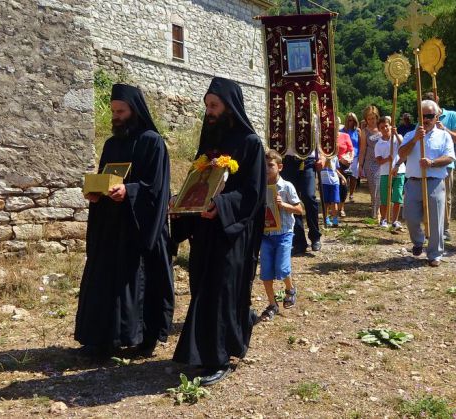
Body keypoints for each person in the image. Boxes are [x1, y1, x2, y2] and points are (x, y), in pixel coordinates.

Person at [170, 77, 266, 386]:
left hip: (232, 233)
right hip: (205, 230)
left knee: (223, 292)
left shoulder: (250, 144)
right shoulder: (208, 146)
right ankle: (203, 353)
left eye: (214, 106)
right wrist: (181, 201)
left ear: (229, 107)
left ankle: (221, 357)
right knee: (202, 288)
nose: (209, 112)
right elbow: (196, 181)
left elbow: (252, 193)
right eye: (207, 106)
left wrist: (221, 206)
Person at [75, 84, 174, 359]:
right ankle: (102, 339)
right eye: (113, 112)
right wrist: (96, 193)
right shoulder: (111, 144)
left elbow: (157, 188)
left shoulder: (152, 141)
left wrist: (128, 191)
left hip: (140, 228)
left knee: (140, 282)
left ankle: (143, 339)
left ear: (134, 110)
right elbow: (104, 177)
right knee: (105, 282)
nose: (116, 116)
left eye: (121, 111)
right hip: (112, 227)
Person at [398, 100, 455, 267]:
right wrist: (415, 139)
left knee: (436, 220)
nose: (426, 119)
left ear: (436, 117)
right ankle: (418, 241)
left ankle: (434, 254)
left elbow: (449, 157)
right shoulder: (410, 135)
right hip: (414, 182)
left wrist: (432, 163)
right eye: (422, 116)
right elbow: (402, 153)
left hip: (435, 182)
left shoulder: (444, 136)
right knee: (410, 217)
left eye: (429, 116)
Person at [258, 150, 303, 322]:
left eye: (271, 165)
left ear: (280, 167)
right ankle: (272, 304)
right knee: (266, 272)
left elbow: (299, 210)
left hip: (284, 233)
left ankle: (290, 289)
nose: (267, 169)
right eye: (265, 166)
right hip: (266, 234)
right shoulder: (261, 187)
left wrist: (283, 205)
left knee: (282, 267)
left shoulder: (287, 187)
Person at [423, 92, 456, 241]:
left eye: (432, 101)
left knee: (445, 197)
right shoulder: (424, 117)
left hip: (445, 164)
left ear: (437, 101)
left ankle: (444, 228)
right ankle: (428, 227)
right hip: (426, 164)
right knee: (427, 196)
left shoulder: (452, 115)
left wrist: (444, 129)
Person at [281, 124, 325, 255]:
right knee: (291, 200)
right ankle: (299, 240)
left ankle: (315, 236)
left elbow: (322, 139)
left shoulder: (313, 113)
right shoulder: (282, 108)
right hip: (288, 160)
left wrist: (322, 157)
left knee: (309, 196)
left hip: (307, 160)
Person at [374, 116, 405, 230]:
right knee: (385, 198)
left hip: (399, 171)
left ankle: (395, 220)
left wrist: (396, 134)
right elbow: (379, 161)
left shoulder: (397, 138)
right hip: (385, 173)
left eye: (386, 126)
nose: (385, 129)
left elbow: (404, 147)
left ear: (390, 126)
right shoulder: (379, 144)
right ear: (379, 129)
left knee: (397, 197)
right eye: (382, 127)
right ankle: (383, 219)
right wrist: (388, 159)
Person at [358, 105, 383, 222]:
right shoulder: (364, 132)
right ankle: (376, 212)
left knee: (382, 187)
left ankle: (382, 211)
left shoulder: (383, 128)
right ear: (366, 119)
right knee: (374, 187)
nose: (372, 121)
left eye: (373, 118)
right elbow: (362, 149)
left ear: (377, 117)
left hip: (383, 161)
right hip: (370, 162)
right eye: (369, 119)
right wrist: (360, 166)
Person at [339, 113, 361, 202]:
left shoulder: (358, 131)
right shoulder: (342, 131)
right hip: (344, 157)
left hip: (355, 156)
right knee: (344, 177)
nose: (350, 122)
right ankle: (343, 194)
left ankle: (351, 193)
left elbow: (360, 144)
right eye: (349, 120)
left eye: (352, 120)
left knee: (353, 177)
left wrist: (359, 157)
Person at [320, 153, 346, 227]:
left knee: (334, 202)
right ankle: (326, 219)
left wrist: (342, 177)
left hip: (334, 182)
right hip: (324, 182)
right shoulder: (320, 155)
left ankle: (335, 220)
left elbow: (335, 169)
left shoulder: (335, 156)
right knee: (325, 203)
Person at [337, 130, 354, 217]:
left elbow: (351, 150)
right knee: (334, 186)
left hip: (344, 165)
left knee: (343, 187)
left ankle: (341, 208)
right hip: (331, 164)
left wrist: (350, 159)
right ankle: (331, 209)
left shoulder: (345, 136)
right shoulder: (327, 136)